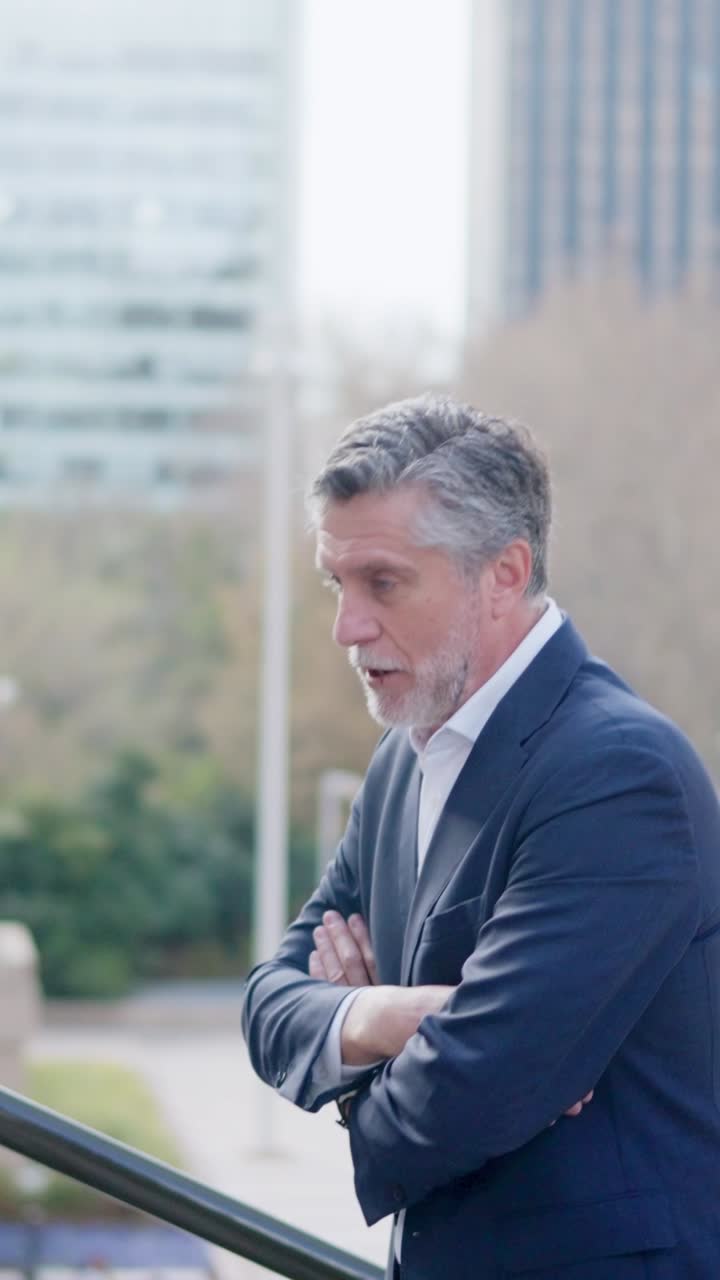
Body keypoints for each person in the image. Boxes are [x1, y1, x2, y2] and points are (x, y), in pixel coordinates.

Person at [242, 394, 720, 1279]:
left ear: (504, 572)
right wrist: (391, 1016)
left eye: (382, 582)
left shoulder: (618, 775)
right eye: (335, 584)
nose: (348, 626)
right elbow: (268, 1004)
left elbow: (470, 1103)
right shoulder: (402, 760)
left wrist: (355, 1052)